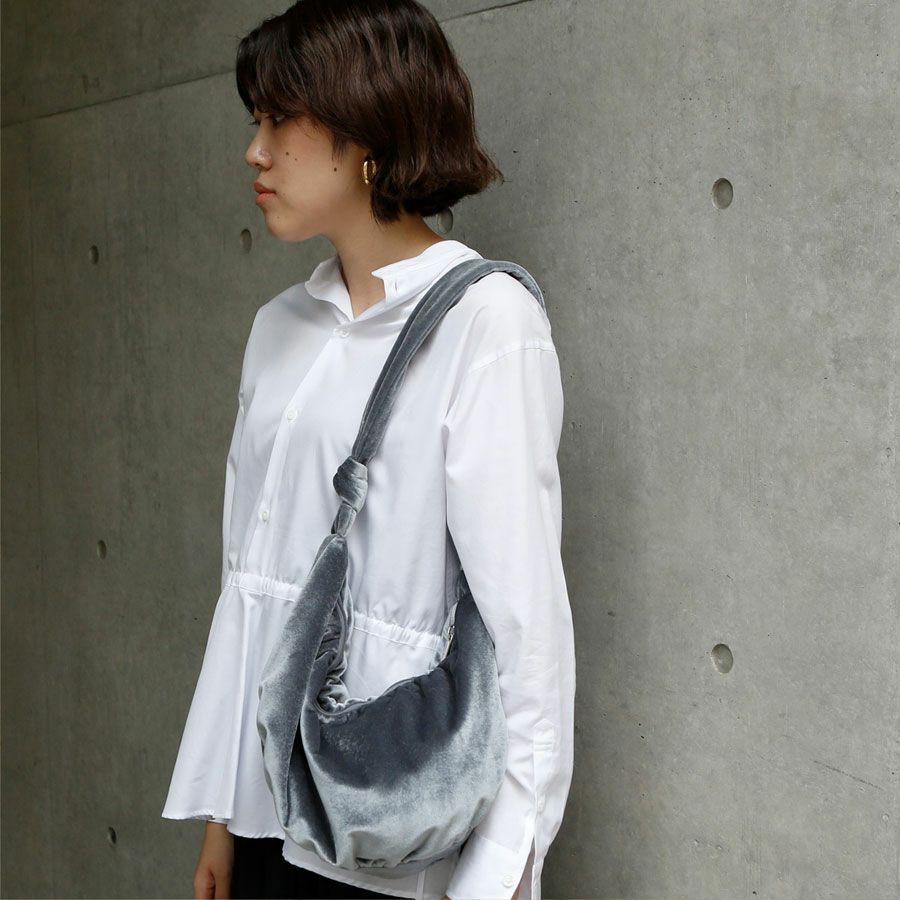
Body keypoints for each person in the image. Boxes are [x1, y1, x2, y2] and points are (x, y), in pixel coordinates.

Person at [160, 1, 576, 898]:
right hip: (266, 814)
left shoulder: (485, 323)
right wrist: (222, 821)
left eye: (280, 120)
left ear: (366, 131)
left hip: (387, 821)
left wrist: (501, 877)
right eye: (255, 121)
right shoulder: (279, 329)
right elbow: (249, 585)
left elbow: (526, 635)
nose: (255, 152)